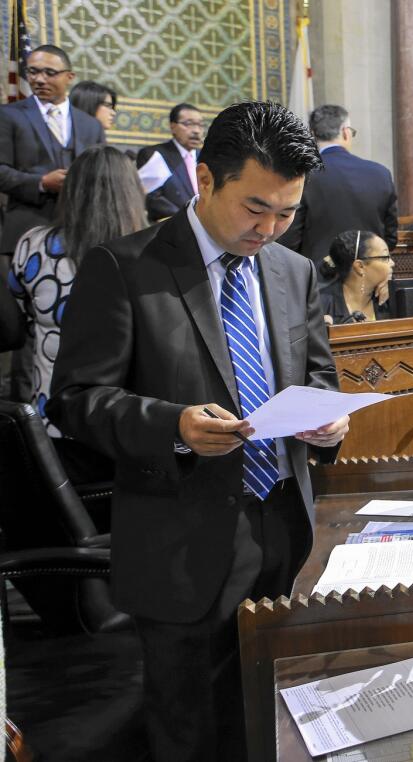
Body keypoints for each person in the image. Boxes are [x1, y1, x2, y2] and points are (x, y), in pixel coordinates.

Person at [47, 101, 349, 760]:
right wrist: (173, 426)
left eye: (288, 212)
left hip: (282, 529)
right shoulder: (127, 267)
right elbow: (73, 401)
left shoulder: (294, 273)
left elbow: (317, 377)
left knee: (269, 722)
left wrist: (327, 423)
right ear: (206, 179)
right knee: (190, 733)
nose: (270, 228)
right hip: (180, 543)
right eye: (255, 208)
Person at [7, 144, 146, 485]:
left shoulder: (34, 245)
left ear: (72, 190)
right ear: (133, 192)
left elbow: (19, 315)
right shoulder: (148, 250)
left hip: (53, 420)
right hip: (131, 422)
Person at [0, 45, 105, 260]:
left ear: (69, 76)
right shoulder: (8, 116)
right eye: (32, 71)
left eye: (49, 72)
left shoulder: (91, 125)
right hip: (26, 232)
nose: (39, 79)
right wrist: (41, 182)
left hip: (82, 235)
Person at [276, 104, 399, 273]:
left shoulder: (303, 174)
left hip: (318, 280)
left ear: (312, 135)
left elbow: (290, 238)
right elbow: (390, 239)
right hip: (370, 278)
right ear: (345, 132)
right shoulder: (380, 174)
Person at [136, 102, 205, 220]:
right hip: (170, 227)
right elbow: (152, 196)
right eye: (188, 124)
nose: (196, 131)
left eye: (200, 125)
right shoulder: (155, 155)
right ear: (173, 127)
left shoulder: (206, 158)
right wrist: (187, 218)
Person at [319, 230, 394, 324]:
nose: (392, 263)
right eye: (385, 258)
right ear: (360, 266)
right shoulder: (321, 305)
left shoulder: (392, 299)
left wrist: (393, 291)